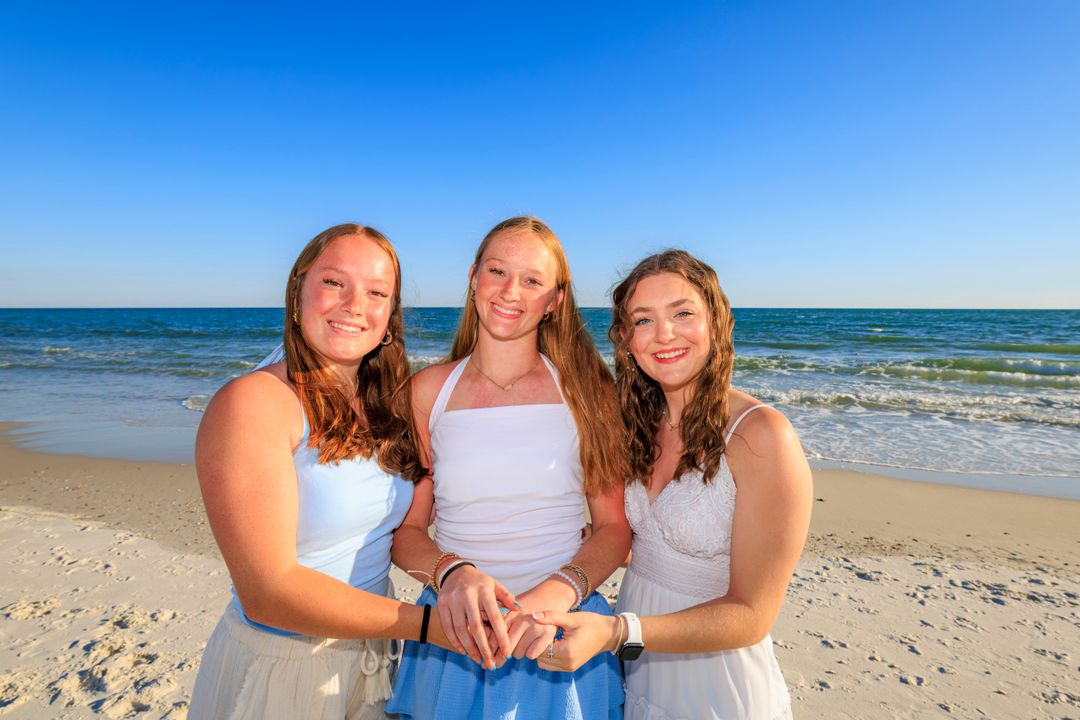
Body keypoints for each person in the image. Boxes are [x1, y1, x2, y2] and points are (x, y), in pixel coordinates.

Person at [188, 224, 457, 720]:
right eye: (334, 282)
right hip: (287, 666)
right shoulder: (254, 402)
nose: (355, 305)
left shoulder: (386, 405)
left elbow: (401, 531)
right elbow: (268, 592)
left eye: (376, 293)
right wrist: (430, 626)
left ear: (390, 315)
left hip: (374, 657)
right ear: (297, 293)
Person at [534, 250, 812, 720]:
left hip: (717, 684)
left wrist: (617, 633)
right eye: (644, 320)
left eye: (682, 313)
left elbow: (753, 615)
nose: (664, 334)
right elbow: (647, 545)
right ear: (626, 340)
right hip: (641, 669)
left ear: (717, 323)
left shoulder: (762, 435)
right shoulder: (638, 426)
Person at [386, 217, 630, 719]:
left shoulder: (588, 392)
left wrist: (552, 596)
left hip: (561, 626)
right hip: (456, 633)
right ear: (474, 277)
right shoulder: (427, 392)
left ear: (555, 300)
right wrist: (451, 575)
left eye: (533, 280)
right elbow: (407, 533)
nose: (510, 291)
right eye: (497, 270)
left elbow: (613, 529)